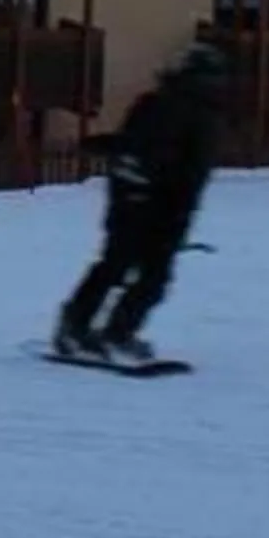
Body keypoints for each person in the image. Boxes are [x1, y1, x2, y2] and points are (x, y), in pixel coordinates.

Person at [54, 40, 227, 362]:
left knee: (133, 269)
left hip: (150, 199)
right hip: (151, 201)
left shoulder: (180, 109)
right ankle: (93, 330)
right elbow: (159, 156)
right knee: (134, 270)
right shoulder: (180, 110)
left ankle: (100, 329)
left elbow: (142, 148)